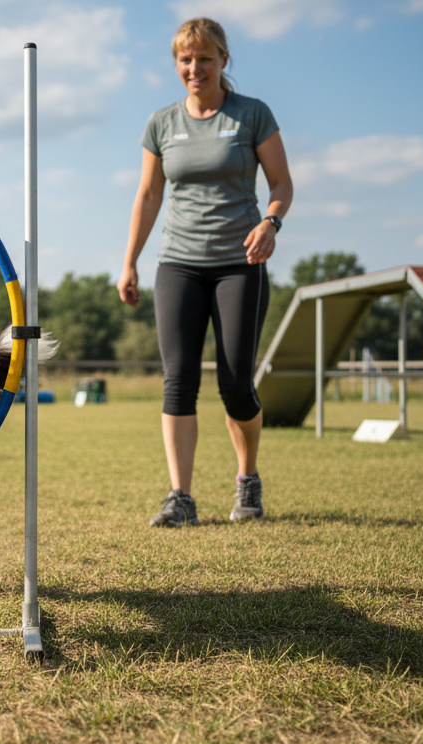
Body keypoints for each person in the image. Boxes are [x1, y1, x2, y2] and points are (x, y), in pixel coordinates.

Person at [117, 17, 293, 527]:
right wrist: (129, 259)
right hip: (178, 263)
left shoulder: (251, 115)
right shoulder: (162, 123)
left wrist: (271, 222)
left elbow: (281, 182)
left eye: (205, 58)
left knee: (237, 384)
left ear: (223, 60)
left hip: (240, 262)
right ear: (177, 65)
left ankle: (248, 481)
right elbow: (149, 196)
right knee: (178, 381)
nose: (195, 68)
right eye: (186, 60)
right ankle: (181, 496)